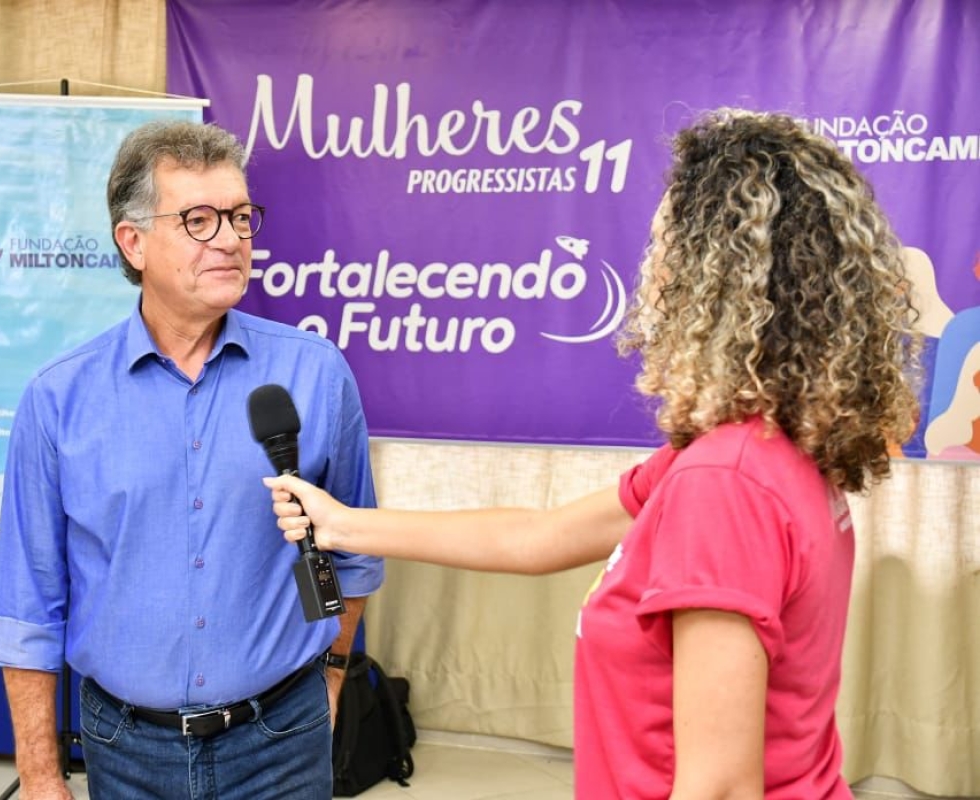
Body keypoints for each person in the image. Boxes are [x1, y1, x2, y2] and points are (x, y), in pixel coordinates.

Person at [265, 109, 922, 799]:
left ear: (712, 275)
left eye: (666, 242)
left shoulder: (724, 484)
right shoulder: (755, 450)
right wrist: (341, 524)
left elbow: (722, 787)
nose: (653, 267)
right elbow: (537, 537)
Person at [0, 120, 381, 800]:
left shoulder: (315, 375)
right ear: (132, 242)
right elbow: (28, 604)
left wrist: (333, 681)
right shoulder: (58, 399)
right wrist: (40, 773)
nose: (229, 238)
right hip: (126, 749)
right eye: (198, 220)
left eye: (238, 217)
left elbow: (356, 553)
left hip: (284, 740)